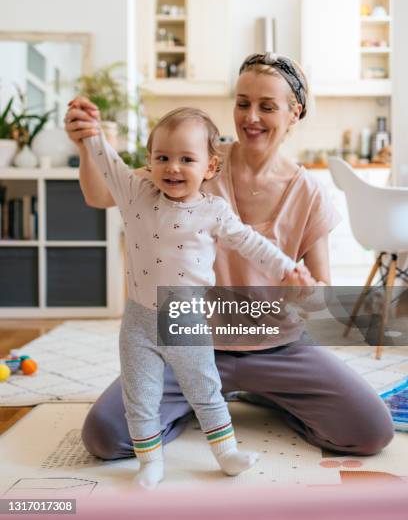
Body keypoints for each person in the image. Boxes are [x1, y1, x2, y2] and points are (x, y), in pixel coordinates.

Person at [65, 52, 394, 463]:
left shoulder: (309, 191)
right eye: (243, 103)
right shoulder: (196, 160)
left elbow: (319, 297)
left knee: (370, 432)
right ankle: (198, 402)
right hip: (187, 340)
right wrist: (86, 145)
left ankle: (265, 394)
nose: (250, 117)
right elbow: (101, 194)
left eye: (266, 106)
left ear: (294, 113)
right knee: (106, 437)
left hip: (280, 348)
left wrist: (303, 291)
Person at [79, 105, 313, 488]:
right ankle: (149, 462)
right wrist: (90, 132)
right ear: (149, 162)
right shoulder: (136, 193)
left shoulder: (213, 211)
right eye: (163, 158)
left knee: (204, 389)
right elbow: (109, 164)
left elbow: (251, 243)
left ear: (209, 167)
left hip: (184, 315)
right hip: (138, 319)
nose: (172, 167)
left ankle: (226, 454)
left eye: (186, 159)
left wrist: (287, 268)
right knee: (139, 396)